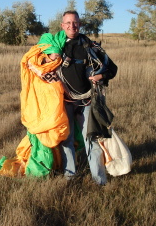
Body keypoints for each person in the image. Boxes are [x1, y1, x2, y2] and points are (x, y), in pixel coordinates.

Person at [39, 10, 117, 185]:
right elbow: (35, 63)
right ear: (62, 25)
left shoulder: (89, 46)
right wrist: (48, 59)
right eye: (68, 23)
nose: (71, 26)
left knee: (92, 139)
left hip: (87, 100)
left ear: (80, 24)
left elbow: (112, 68)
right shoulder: (54, 46)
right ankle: (70, 177)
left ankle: (99, 180)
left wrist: (100, 77)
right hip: (64, 101)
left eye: (75, 23)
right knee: (67, 139)